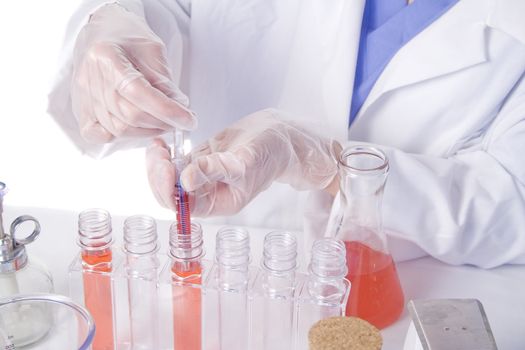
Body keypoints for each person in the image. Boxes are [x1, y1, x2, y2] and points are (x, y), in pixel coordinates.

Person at [49, 0, 525, 267]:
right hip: (222, 261)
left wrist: (327, 161)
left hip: (399, 294)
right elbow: (162, 7)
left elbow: (511, 204)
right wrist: (108, 24)